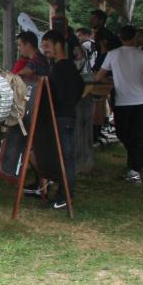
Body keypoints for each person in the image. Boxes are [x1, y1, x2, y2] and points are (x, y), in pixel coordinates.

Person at [95, 25, 143, 182]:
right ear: (134, 37)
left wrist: (111, 79)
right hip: (140, 100)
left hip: (123, 101)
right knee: (136, 136)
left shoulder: (112, 54)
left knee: (125, 135)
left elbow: (99, 76)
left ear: (120, 37)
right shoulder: (142, 54)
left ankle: (134, 169)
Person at [41, 29, 83, 209]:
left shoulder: (62, 67)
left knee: (65, 157)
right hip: (63, 115)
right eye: (43, 47)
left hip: (62, 116)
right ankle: (63, 192)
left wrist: (64, 103)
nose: (45, 50)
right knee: (63, 156)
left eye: (47, 46)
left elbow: (70, 90)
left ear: (58, 45)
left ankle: (66, 194)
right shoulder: (63, 66)